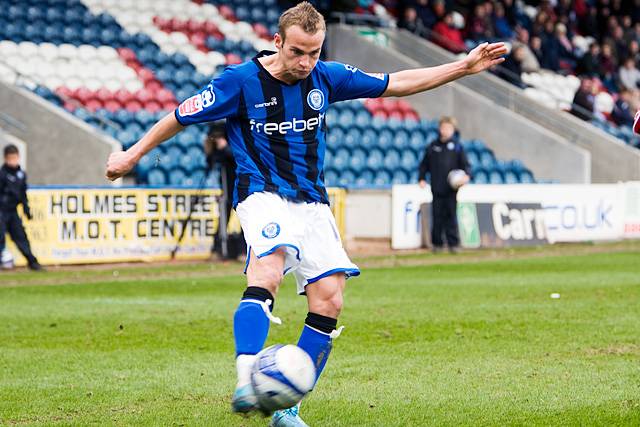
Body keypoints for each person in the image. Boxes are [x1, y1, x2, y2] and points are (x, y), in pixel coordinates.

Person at [105, 2, 506, 425]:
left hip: (312, 202)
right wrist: (131, 155)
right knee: (268, 272)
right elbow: (179, 116)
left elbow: (397, 82)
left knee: (330, 299)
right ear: (278, 42)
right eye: (297, 51)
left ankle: (287, 407)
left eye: (314, 52)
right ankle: (247, 380)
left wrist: (461, 67)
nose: (306, 62)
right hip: (261, 194)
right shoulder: (240, 82)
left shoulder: (325, 77)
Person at [418, 117, 470, 254]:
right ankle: (437, 244)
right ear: (440, 129)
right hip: (436, 187)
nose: (445, 131)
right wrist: (422, 178)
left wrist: (466, 176)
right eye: (443, 128)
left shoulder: (457, 146)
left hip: (451, 189)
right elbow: (424, 165)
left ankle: (454, 244)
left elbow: (465, 165)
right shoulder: (433, 146)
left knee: (451, 216)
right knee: (437, 216)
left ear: (453, 130)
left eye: (449, 128)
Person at [204, 121, 246, 260]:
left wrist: (226, 147)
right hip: (226, 188)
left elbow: (239, 159)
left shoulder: (235, 140)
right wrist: (212, 149)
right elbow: (210, 163)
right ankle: (217, 249)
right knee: (223, 217)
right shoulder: (217, 148)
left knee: (244, 220)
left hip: (240, 185)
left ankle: (243, 251)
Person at [0, 144, 43, 271]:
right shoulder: (2, 175)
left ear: (18, 157)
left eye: (14, 158)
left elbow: (23, 194)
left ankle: (33, 263)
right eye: (10, 158)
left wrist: (26, 209)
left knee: (21, 237)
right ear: (5, 158)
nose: (12, 161)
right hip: (1, 211)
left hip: (13, 212)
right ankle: (4, 262)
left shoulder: (21, 174)